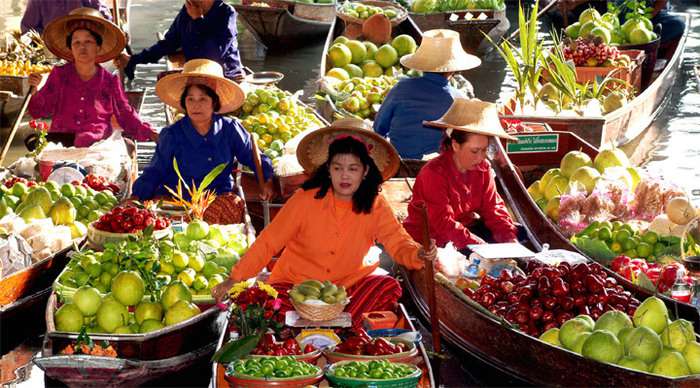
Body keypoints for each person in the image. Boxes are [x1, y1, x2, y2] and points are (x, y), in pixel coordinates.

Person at [212, 119, 437, 324]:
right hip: (295, 287)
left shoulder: (375, 204)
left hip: (347, 289)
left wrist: (418, 254)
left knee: (388, 287)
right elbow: (268, 242)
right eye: (338, 168)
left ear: (365, 171)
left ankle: (343, 329)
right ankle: (341, 327)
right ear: (328, 170)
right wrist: (235, 278)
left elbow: (398, 242)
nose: (345, 176)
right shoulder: (304, 199)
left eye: (353, 169)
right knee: (271, 305)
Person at [132, 59, 274, 200]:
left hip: (218, 198)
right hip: (179, 199)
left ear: (214, 102)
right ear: (184, 102)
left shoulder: (230, 128)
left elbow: (252, 156)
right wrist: (137, 196)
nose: (195, 106)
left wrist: (267, 180)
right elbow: (156, 170)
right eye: (190, 99)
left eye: (203, 99)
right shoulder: (172, 134)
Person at [26, 7, 156, 148]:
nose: (82, 47)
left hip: (97, 145)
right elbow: (39, 111)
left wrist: (151, 133)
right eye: (77, 43)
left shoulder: (110, 81)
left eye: (88, 42)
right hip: (61, 144)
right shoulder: (59, 74)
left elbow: (125, 114)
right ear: (71, 48)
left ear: (98, 47)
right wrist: (34, 91)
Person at [403, 98, 519, 254]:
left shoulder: (483, 169)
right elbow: (444, 224)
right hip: (430, 242)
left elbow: (493, 209)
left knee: (519, 234)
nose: (480, 158)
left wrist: (510, 240)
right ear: (455, 145)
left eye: (484, 150)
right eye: (474, 151)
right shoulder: (433, 174)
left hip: (463, 233)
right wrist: (479, 247)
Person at [373, 29, 481, 160]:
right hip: (435, 166)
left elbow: (379, 128)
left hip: (398, 161)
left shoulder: (401, 87)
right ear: (452, 70)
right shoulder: (458, 99)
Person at [115, 0, 243, 81]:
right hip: (195, 75)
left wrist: (197, 20)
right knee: (162, 80)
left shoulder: (226, 13)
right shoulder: (187, 11)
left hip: (226, 77)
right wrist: (134, 59)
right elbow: (168, 44)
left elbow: (213, 53)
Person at [21, 0, 112, 34]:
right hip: (52, 52)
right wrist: (48, 38)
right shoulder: (37, 1)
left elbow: (106, 20)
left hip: (86, 48)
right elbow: (27, 28)